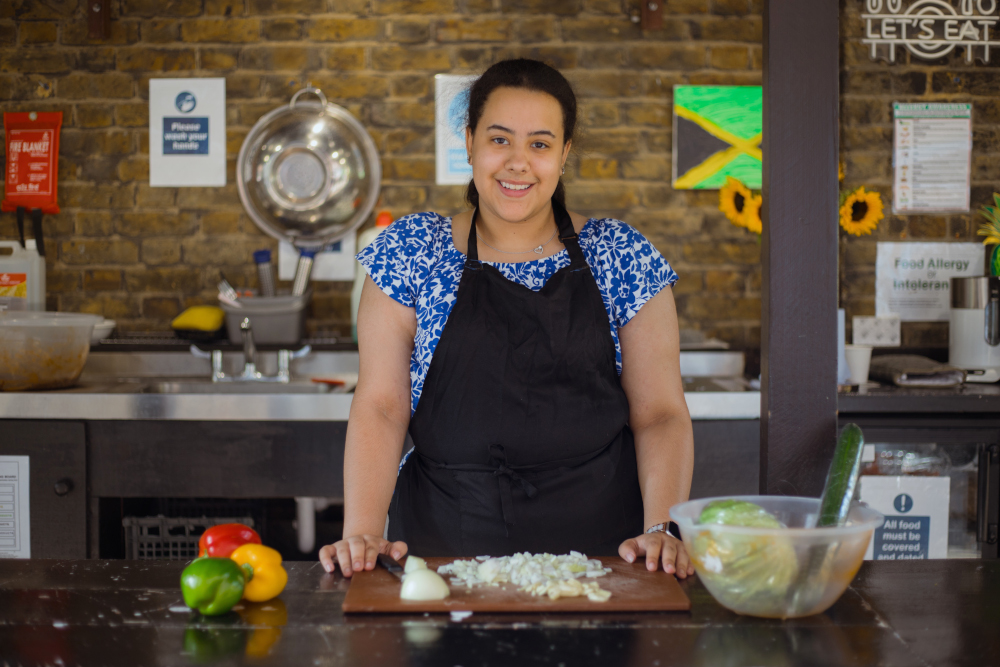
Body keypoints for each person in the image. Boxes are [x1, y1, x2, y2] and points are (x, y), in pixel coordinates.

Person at [320, 59, 694, 579]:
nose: (518, 162)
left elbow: (660, 414)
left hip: (606, 561)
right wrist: (362, 532)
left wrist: (661, 532)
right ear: (470, 142)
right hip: (444, 553)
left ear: (564, 154)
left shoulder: (620, 254)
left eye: (540, 144)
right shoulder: (412, 250)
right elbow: (382, 406)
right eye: (500, 140)